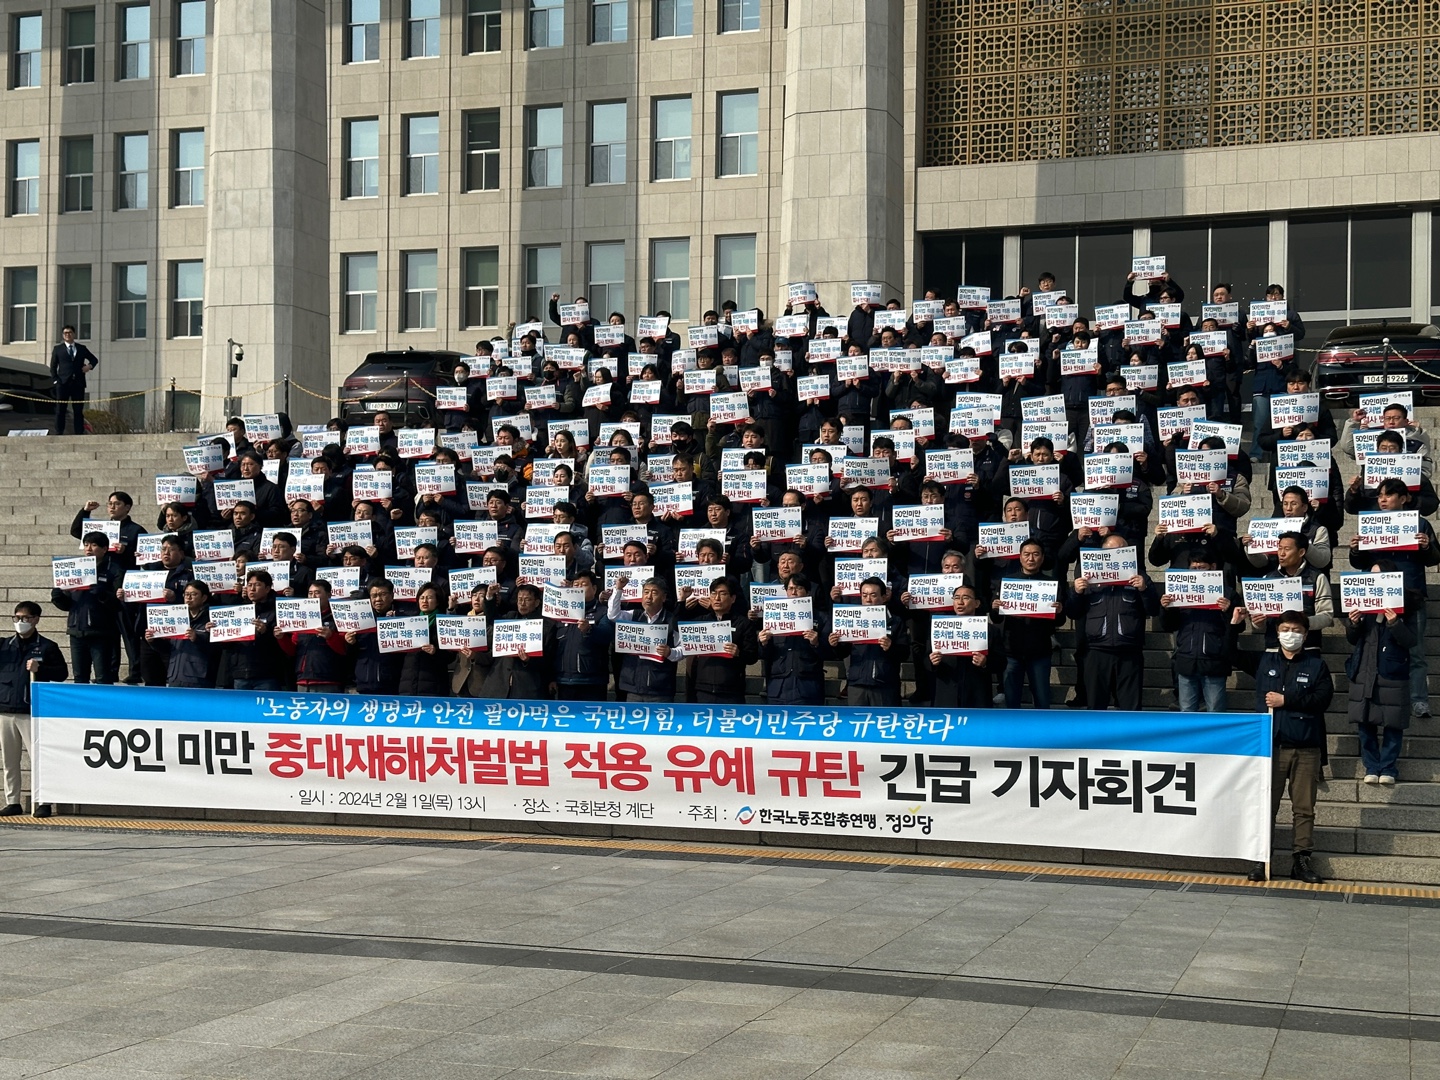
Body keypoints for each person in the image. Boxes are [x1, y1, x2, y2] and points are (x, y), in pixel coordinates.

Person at [1252, 610, 1334, 884]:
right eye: (1286, 629)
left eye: (1296, 630)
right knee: (1267, 805)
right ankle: (1262, 858)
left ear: (1305, 635)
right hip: (1272, 747)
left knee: (1304, 808)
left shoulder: (1317, 665)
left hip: (1306, 747)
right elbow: (1228, 655)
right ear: (1277, 633)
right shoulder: (1265, 661)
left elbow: (1322, 700)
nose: (1291, 635)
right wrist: (1234, 622)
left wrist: (1286, 700)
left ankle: (1301, 859)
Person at [1065, 533, 1160, 710]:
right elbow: (1073, 612)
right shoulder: (1088, 577)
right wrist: (1076, 593)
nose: (1117, 554)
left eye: (1122, 550)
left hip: (1129, 650)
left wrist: (1145, 590)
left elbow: (1154, 610)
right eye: (1112, 550)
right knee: (1096, 707)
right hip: (1096, 650)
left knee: (1130, 709)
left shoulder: (1139, 576)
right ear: (1102, 553)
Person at [1345, 567, 1418, 786]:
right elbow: (1352, 639)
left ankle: (1388, 767)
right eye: (1371, 575)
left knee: (1393, 722)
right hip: (1364, 670)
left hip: (1392, 671)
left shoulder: (1407, 606)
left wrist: (1395, 622)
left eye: (1379, 575)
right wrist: (1354, 623)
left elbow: (1411, 640)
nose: (1374, 578)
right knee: (1364, 720)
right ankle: (1371, 766)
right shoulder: (1363, 604)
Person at [0, 602, 68, 817]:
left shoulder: (47, 647)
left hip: (32, 710)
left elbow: (62, 674)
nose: (21, 622)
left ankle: (44, 801)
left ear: (36, 619)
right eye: (17, 618)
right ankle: (13, 801)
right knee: (9, 760)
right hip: (6, 709)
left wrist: (41, 669)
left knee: (38, 758)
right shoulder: (4, 646)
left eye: (26, 618)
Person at [50, 324, 97, 435]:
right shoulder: (58, 349)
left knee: (78, 410)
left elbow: (94, 359)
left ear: (74, 334)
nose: (68, 335)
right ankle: (59, 432)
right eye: (65, 333)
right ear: (63, 335)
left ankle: (79, 432)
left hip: (78, 383)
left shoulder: (81, 348)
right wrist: (56, 380)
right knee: (60, 410)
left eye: (70, 332)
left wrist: (89, 366)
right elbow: (53, 366)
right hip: (63, 383)